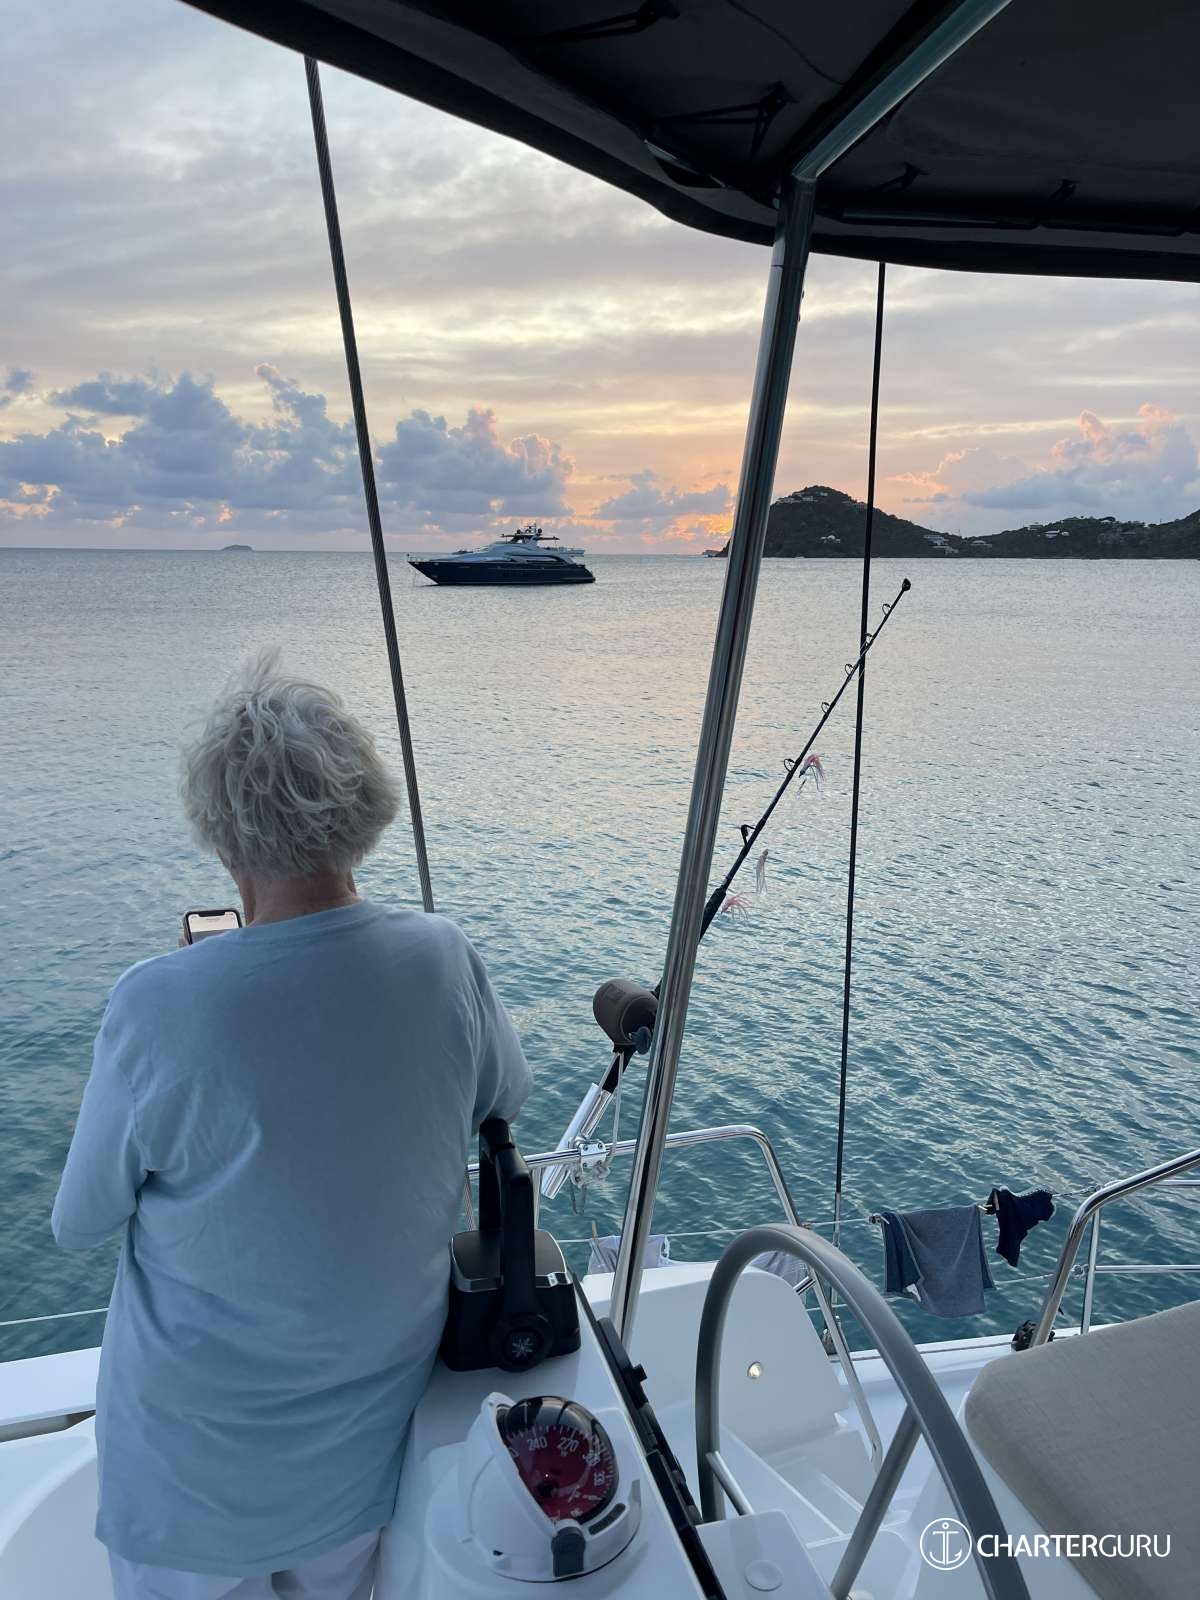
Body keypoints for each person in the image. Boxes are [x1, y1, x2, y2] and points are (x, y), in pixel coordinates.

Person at [52, 653, 532, 1600]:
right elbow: (502, 1098)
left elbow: (80, 1221)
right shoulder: (442, 958)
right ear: (363, 813)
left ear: (222, 833)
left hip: (190, 1484)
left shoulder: (159, 1002)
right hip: (357, 1464)